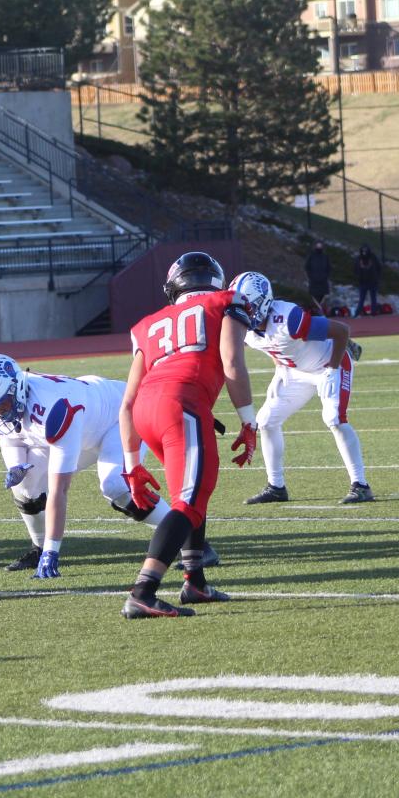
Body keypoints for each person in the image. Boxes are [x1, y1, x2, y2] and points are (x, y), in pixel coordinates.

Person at [0, 354, 206, 579]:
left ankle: (192, 541)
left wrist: (55, 551)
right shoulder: (18, 401)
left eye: (1, 406)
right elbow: (11, 436)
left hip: (119, 418)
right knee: (26, 485)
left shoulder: (56, 411)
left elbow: (59, 490)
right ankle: (38, 549)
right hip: (86, 429)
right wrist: (16, 466)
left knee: (116, 486)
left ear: (16, 389)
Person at [118, 251, 256, 619]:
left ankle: (194, 581)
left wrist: (133, 465)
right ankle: (143, 590)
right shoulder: (227, 300)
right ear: (216, 280)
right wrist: (249, 420)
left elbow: (127, 401)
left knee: (189, 492)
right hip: (181, 404)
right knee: (189, 500)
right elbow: (231, 361)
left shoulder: (148, 323)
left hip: (147, 410)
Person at [234, 272, 370, 507]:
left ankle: (361, 486)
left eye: (249, 306)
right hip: (296, 372)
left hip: (328, 363)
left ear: (264, 301)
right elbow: (271, 346)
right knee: (266, 420)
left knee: (334, 418)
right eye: (242, 306)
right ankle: (276, 487)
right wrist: (281, 369)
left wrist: (332, 368)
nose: (245, 312)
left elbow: (341, 331)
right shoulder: (244, 328)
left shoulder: (289, 318)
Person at [354, 244, 381, 316]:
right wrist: (358, 277)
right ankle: (357, 313)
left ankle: (373, 313)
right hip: (362, 281)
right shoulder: (359, 258)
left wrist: (377, 277)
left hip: (372, 281)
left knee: (373, 298)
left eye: (366, 251)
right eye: (363, 251)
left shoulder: (373, 257)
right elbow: (355, 268)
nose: (364, 252)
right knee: (361, 299)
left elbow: (379, 267)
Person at [304, 241, 331, 308]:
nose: (319, 247)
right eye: (318, 246)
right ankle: (314, 311)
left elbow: (329, 267)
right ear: (315, 246)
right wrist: (310, 276)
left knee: (323, 297)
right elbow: (307, 267)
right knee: (314, 297)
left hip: (323, 281)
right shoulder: (311, 256)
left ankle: (322, 312)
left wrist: (326, 276)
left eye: (320, 246)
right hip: (314, 281)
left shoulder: (325, 256)